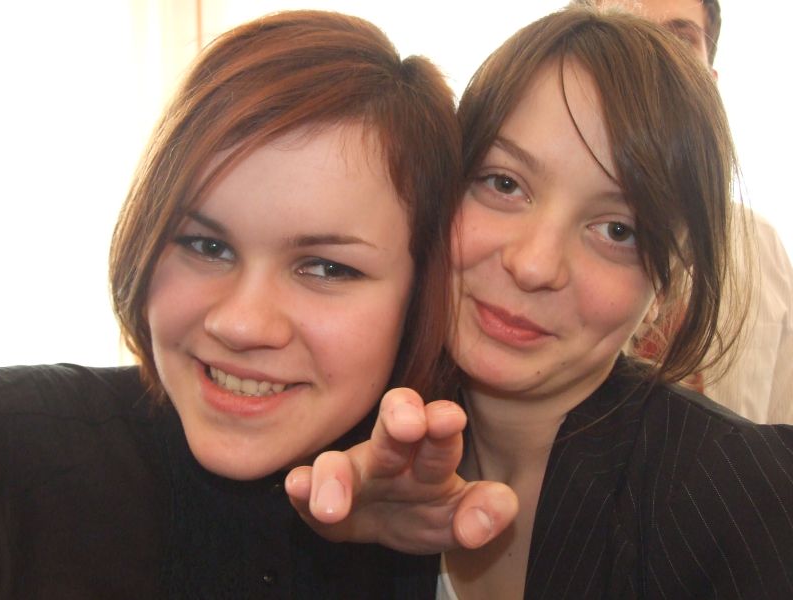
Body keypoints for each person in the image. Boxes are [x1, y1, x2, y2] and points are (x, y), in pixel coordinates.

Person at [289, 6, 793, 599]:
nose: (533, 265)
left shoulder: (744, 502)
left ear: (667, 281)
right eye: (504, 183)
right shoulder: (349, 433)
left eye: (618, 230)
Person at [0, 9, 499, 598]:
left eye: (326, 267)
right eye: (206, 246)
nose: (240, 323)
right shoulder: (16, 451)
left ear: (419, 295)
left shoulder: (442, 507)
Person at [576, 0, 793, 423]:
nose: (649, 60)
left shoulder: (761, 247)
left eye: (679, 41)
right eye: (619, 31)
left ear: (709, 82)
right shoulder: (530, 243)